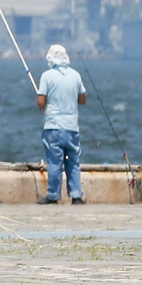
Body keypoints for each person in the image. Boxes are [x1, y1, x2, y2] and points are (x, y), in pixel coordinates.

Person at [36, 44, 87, 205]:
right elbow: (82, 100)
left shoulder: (47, 76)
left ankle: (53, 195)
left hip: (53, 127)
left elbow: (41, 101)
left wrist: (43, 106)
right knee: (73, 162)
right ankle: (76, 195)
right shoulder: (76, 75)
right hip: (72, 127)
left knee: (54, 162)